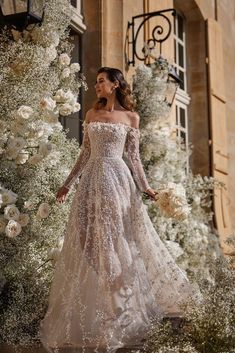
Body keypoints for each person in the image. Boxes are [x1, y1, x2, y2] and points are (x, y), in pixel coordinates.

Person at [40, 67, 197, 353]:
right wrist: (66, 184)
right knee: (87, 241)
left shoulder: (131, 118)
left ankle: (118, 313)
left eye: (101, 81)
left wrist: (146, 187)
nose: (96, 85)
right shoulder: (91, 115)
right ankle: (109, 300)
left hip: (117, 181)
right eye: (97, 81)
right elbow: (84, 154)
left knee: (115, 241)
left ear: (115, 85)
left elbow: (134, 159)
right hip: (90, 181)